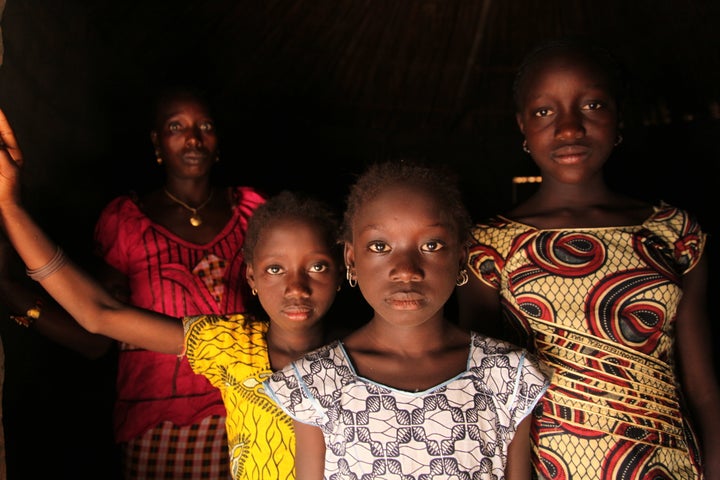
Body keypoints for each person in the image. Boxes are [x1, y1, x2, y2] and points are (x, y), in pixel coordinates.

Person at [0, 108, 346, 479]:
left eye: (317, 266)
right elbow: (98, 313)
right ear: (251, 276)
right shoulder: (231, 344)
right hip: (158, 423)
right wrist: (10, 206)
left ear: (344, 270)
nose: (296, 286)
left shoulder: (358, 358)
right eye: (275, 269)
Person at [456, 38, 720, 479]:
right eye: (544, 111)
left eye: (592, 105)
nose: (569, 128)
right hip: (542, 468)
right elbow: (485, 390)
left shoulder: (675, 233)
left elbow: (702, 387)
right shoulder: (488, 246)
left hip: (668, 468)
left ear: (618, 117)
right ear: (522, 126)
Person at [264, 160, 552, 480]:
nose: (406, 269)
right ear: (351, 258)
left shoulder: (508, 377)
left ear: (460, 257)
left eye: (431, 245)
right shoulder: (315, 382)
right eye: (380, 246)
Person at [90, 84, 265, 479]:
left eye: (204, 126)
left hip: (249, 407)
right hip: (159, 423)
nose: (192, 138)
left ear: (218, 141)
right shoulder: (127, 222)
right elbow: (99, 322)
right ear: (157, 141)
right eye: (176, 126)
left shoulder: (254, 211)